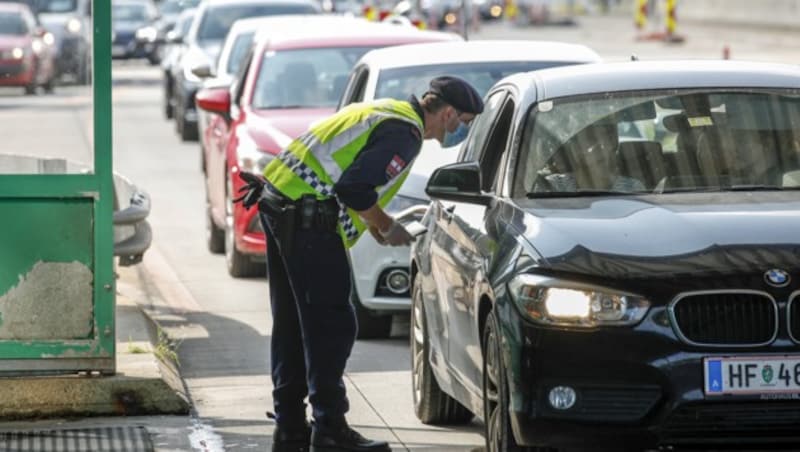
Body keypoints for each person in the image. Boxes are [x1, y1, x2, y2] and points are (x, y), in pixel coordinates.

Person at [236, 76, 484, 452]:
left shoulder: (384, 110)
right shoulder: (406, 133)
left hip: (280, 205)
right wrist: (387, 225)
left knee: (291, 324)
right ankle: (330, 428)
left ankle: (289, 428)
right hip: (307, 221)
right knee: (332, 325)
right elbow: (353, 189)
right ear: (447, 112)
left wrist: (374, 225)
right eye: (463, 120)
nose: (461, 129)